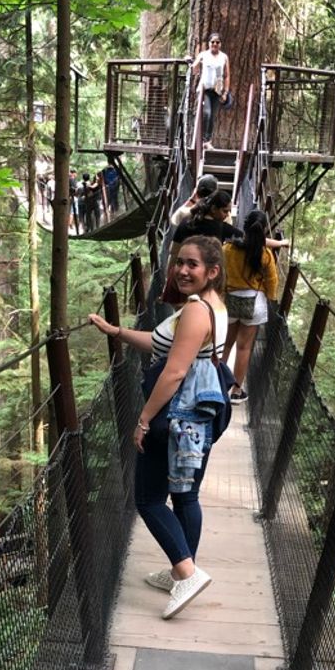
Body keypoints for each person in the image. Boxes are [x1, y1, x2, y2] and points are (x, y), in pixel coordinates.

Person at [89, 236, 229, 619]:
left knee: (149, 499)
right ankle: (183, 570)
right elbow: (161, 343)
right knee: (185, 496)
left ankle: (186, 572)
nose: (182, 270)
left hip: (175, 418)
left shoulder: (197, 311)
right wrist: (117, 332)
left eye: (192, 265)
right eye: (178, 262)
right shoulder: (213, 307)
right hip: (198, 419)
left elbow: (175, 370)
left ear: (212, 271)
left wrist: (144, 419)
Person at [222, 210, 279, 403]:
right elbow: (272, 281)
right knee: (244, 348)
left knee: (225, 344)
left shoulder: (228, 249)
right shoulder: (265, 255)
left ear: (244, 227)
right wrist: (270, 297)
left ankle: (216, 383)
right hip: (254, 304)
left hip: (229, 300)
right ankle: (237, 392)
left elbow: (221, 273)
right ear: (263, 231)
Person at [192, 33, 230, 148]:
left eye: (217, 42)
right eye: (212, 42)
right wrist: (194, 62)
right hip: (205, 89)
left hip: (217, 89)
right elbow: (194, 68)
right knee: (207, 113)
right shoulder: (204, 55)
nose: (214, 44)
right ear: (209, 43)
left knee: (212, 116)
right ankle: (202, 139)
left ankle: (207, 141)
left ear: (220, 44)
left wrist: (225, 92)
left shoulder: (224, 57)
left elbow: (227, 75)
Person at [173, 190, 241, 244]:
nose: (227, 215)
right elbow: (243, 237)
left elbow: (173, 252)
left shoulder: (186, 222)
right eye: (225, 211)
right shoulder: (221, 228)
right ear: (213, 209)